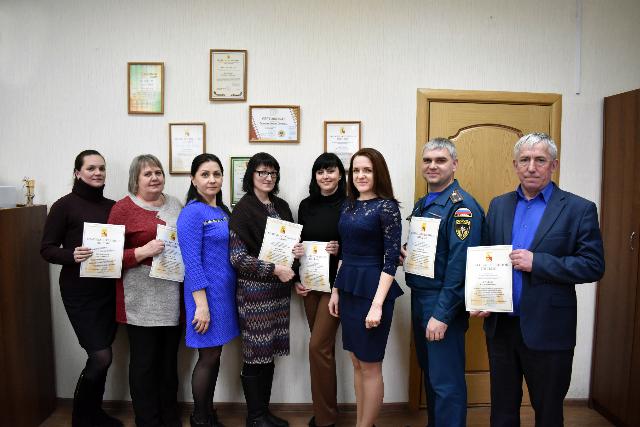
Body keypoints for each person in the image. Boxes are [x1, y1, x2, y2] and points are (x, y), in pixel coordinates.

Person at [471, 133, 605, 426]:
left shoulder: (579, 209)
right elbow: (488, 256)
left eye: (540, 160)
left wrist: (539, 262)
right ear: (515, 165)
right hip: (502, 328)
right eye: (525, 160)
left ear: (553, 165)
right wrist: (483, 296)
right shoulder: (499, 205)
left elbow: (593, 265)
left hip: (549, 328)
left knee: (548, 412)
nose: (531, 167)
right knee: (502, 411)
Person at [400, 138, 484, 427]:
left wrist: (442, 314)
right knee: (432, 375)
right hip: (421, 297)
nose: (432, 166)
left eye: (440, 160)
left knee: (446, 382)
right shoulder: (424, 203)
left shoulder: (462, 208)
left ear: (454, 165)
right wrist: (408, 254)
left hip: (442, 302)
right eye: (427, 160)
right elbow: (434, 251)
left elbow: (460, 267)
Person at [40, 150, 123, 427]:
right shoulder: (64, 205)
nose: (97, 173)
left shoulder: (114, 206)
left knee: (104, 356)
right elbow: (47, 249)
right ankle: (81, 418)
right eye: (91, 168)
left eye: (101, 168)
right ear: (77, 173)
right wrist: (71, 254)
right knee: (101, 356)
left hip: (109, 291)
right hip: (79, 293)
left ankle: (94, 413)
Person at [328, 148, 403, 427]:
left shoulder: (387, 207)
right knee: (357, 362)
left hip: (374, 290)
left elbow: (391, 260)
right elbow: (345, 252)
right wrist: (336, 290)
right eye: (356, 170)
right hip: (348, 287)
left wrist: (377, 305)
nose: (360, 175)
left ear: (378, 173)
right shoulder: (348, 205)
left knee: (370, 365)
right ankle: (363, 423)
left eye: (367, 170)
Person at [107, 154, 183, 427]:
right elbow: (107, 258)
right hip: (139, 298)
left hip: (172, 296)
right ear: (135, 179)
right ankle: (147, 420)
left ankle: (169, 418)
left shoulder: (175, 204)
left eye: (158, 172)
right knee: (144, 365)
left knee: (168, 364)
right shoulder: (122, 209)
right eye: (147, 174)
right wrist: (141, 251)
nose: (154, 178)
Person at [229, 152, 304, 427]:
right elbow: (237, 258)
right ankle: (255, 417)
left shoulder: (282, 206)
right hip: (254, 294)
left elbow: (290, 247)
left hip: (278, 294)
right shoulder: (243, 209)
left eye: (272, 173)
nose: (268, 177)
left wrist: (296, 251)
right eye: (262, 172)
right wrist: (274, 269)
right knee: (254, 355)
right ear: (251, 175)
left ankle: (264, 412)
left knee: (268, 353)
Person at [177, 153, 239, 427]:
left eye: (216, 174)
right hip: (204, 296)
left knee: (214, 355)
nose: (212, 179)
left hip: (223, 295)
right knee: (208, 356)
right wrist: (201, 306)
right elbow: (191, 262)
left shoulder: (222, 211)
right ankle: (200, 418)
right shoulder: (192, 212)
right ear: (193, 179)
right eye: (205, 174)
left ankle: (208, 411)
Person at [294, 153, 346, 427]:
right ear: (315, 176)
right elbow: (298, 243)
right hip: (309, 285)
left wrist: (340, 248)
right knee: (323, 350)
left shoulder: (349, 204)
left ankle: (325, 419)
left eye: (330, 170)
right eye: (320, 171)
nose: (325, 176)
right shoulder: (306, 205)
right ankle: (327, 411)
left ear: (340, 174)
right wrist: (295, 277)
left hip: (335, 286)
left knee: (317, 348)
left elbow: (356, 244)